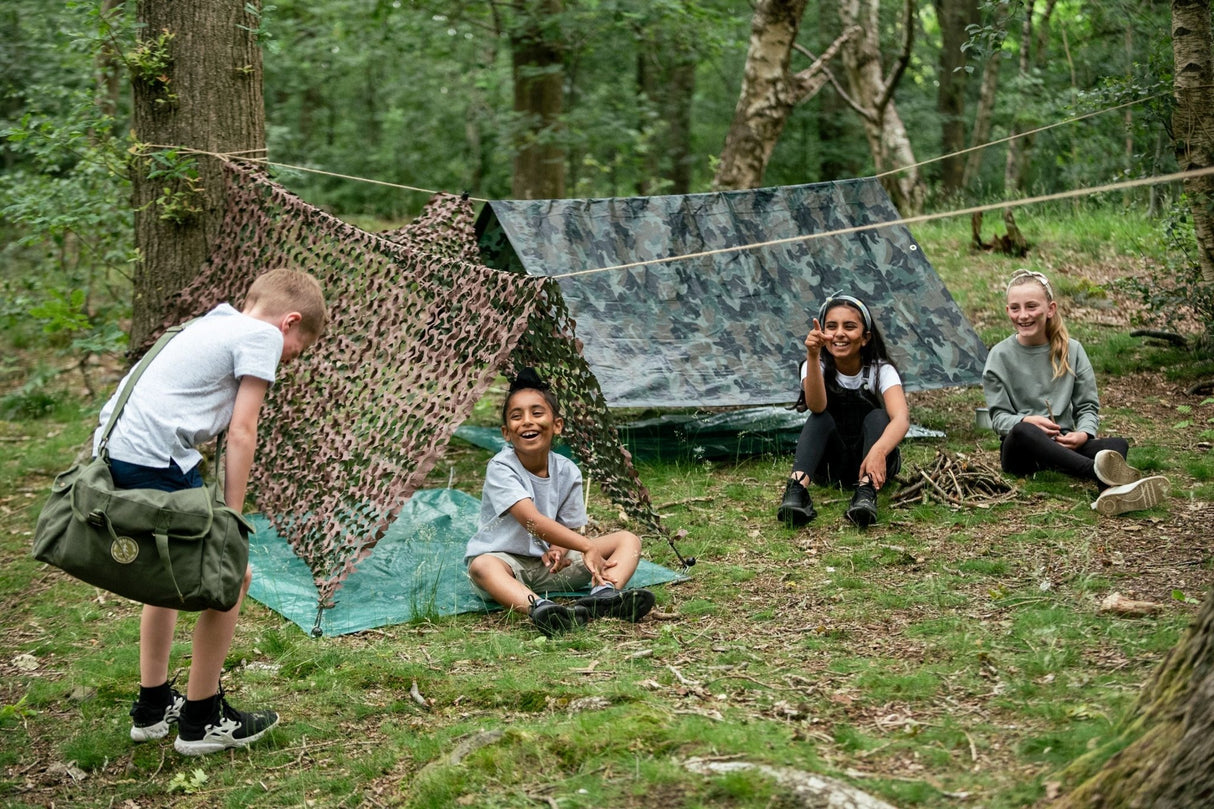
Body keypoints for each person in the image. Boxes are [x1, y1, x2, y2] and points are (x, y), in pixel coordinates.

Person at [99, 268, 327, 756]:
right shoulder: (262, 336)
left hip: (121, 455)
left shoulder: (212, 323)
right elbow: (243, 431)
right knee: (233, 575)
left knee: (165, 576)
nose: (292, 357)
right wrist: (232, 519)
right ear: (289, 322)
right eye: (300, 347)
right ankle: (201, 720)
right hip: (154, 461)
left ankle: (153, 708)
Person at [465, 368, 655, 637]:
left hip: (550, 568)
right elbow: (531, 521)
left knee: (628, 539)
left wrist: (558, 549)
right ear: (506, 433)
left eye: (537, 413)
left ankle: (604, 595)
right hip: (506, 565)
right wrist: (586, 546)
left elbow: (568, 526)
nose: (527, 422)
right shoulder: (501, 467)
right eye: (517, 416)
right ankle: (541, 609)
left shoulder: (567, 470)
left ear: (557, 425)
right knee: (482, 566)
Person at [982, 269, 1169, 515]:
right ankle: (1095, 473)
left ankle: (1109, 495)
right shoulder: (999, 356)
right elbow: (999, 419)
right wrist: (1026, 420)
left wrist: (1083, 433)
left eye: (1031, 306)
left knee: (1116, 444)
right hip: (1022, 453)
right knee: (1023, 430)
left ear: (1050, 309)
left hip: (1064, 446)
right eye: (1015, 308)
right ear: (1008, 311)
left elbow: (1087, 406)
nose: (1023, 315)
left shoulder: (1073, 350)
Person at [777, 293, 909, 528]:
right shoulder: (813, 365)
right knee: (820, 417)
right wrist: (813, 355)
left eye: (849, 327)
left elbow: (901, 418)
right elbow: (816, 405)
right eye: (831, 326)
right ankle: (797, 489)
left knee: (879, 416)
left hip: (872, 461)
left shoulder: (882, 370)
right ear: (822, 333)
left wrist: (879, 451)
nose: (839, 333)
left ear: (865, 337)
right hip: (831, 466)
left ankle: (866, 493)